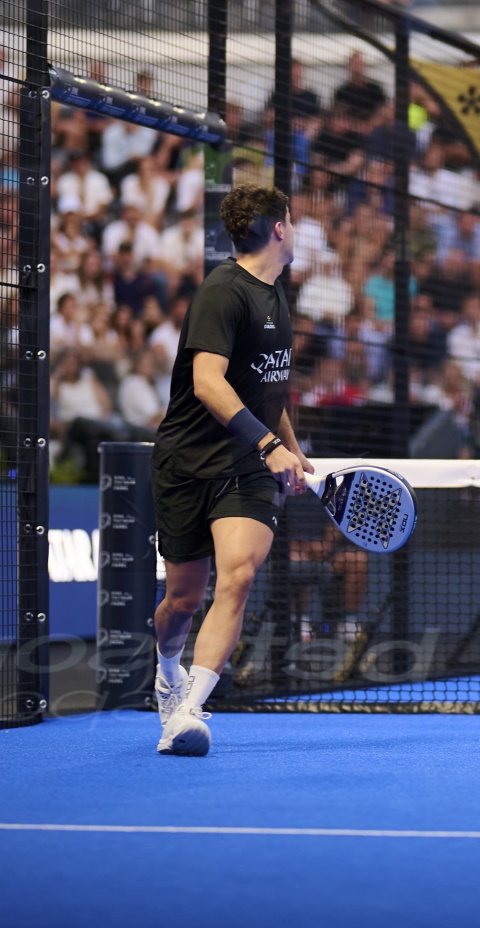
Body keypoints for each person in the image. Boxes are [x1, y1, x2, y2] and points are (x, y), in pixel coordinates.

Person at [150, 185, 312, 756]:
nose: (297, 226)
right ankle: (167, 671)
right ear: (278, 230)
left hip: (246, 465)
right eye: (293, 219)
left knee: (238, 576)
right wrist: (271, 444)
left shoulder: (275, 295)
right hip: (187, 462)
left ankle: (190, 709)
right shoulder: (224, 291)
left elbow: (266, 387)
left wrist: (288, 446)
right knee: (183, 599)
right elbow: (208, 383)